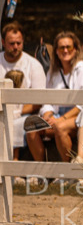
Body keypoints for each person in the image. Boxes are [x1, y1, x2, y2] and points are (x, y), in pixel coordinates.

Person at [25, 32, 83, 163]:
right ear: (56, 51)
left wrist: (62, 119)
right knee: (32, 130)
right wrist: (48, 115)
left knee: (60, 127)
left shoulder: (82, 69)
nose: (65, 51)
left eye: (69, 47)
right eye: (61, 48)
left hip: (78, 115)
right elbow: (47, 100)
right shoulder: (53, 72)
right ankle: (42, 169)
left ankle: (67, 166)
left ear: (75, 49)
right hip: (57, 115)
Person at [0, 22, 47, 155]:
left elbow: (39, 101)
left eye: (18, 43)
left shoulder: (33, 65)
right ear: (3, 42)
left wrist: (16, 112)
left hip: (26, 115)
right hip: (1, 111)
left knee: (15, 125)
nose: (15, 47)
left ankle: (13, 162)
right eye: (11, 43)